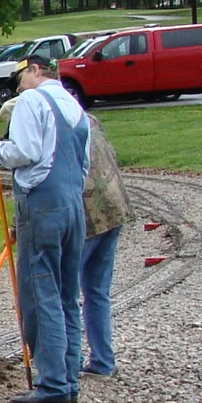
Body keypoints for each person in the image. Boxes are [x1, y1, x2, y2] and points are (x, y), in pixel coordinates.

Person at [0, 56, 88, 403]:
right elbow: (83, 163)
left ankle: (53, 383)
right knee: (67, 294)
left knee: (41, 293)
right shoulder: (73, 104)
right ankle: (68, 379)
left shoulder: (32, 101)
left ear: (36, 70)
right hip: (74, 203)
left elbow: (24, 152)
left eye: (20, 76)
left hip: (43, 203)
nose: (18, 84)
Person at [79, 110, 130, 379]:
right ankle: (102, 360)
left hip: (90, 213)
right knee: (97, 290)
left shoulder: (54, 125)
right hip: (114, 207)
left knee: (65, 293)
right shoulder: (87, 117)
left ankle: (69, 360)